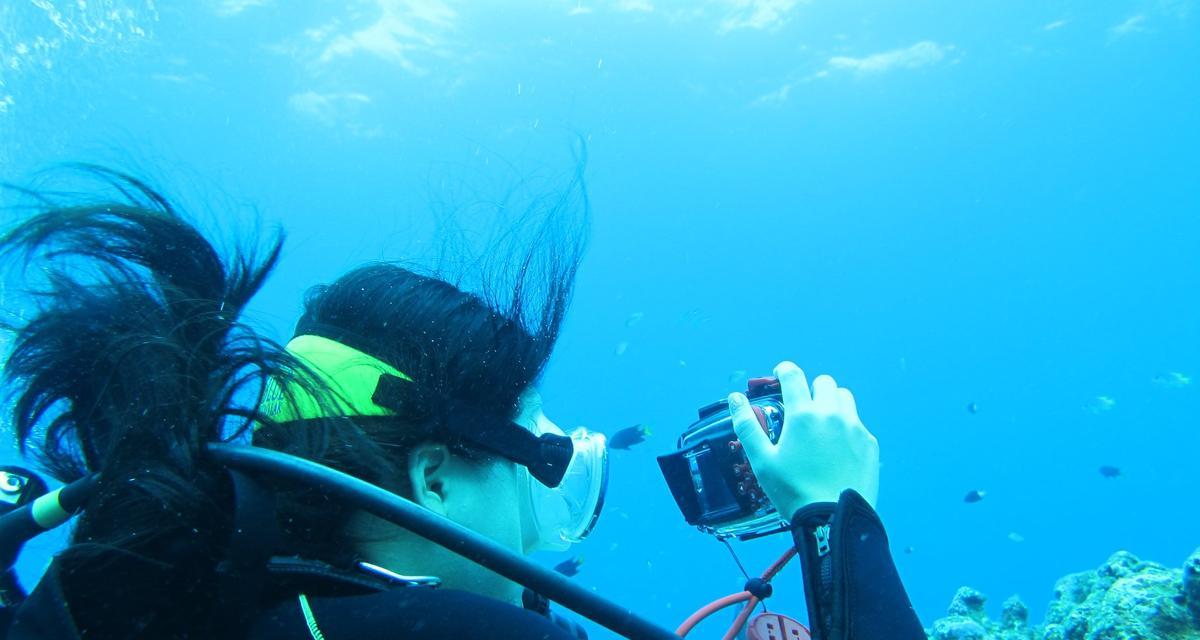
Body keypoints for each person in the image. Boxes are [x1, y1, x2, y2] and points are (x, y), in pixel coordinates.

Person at [0, 169, 925, 639]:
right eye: (537, 459)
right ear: (434, 477)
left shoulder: (255, 597)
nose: (549, 510)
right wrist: (832, 516)